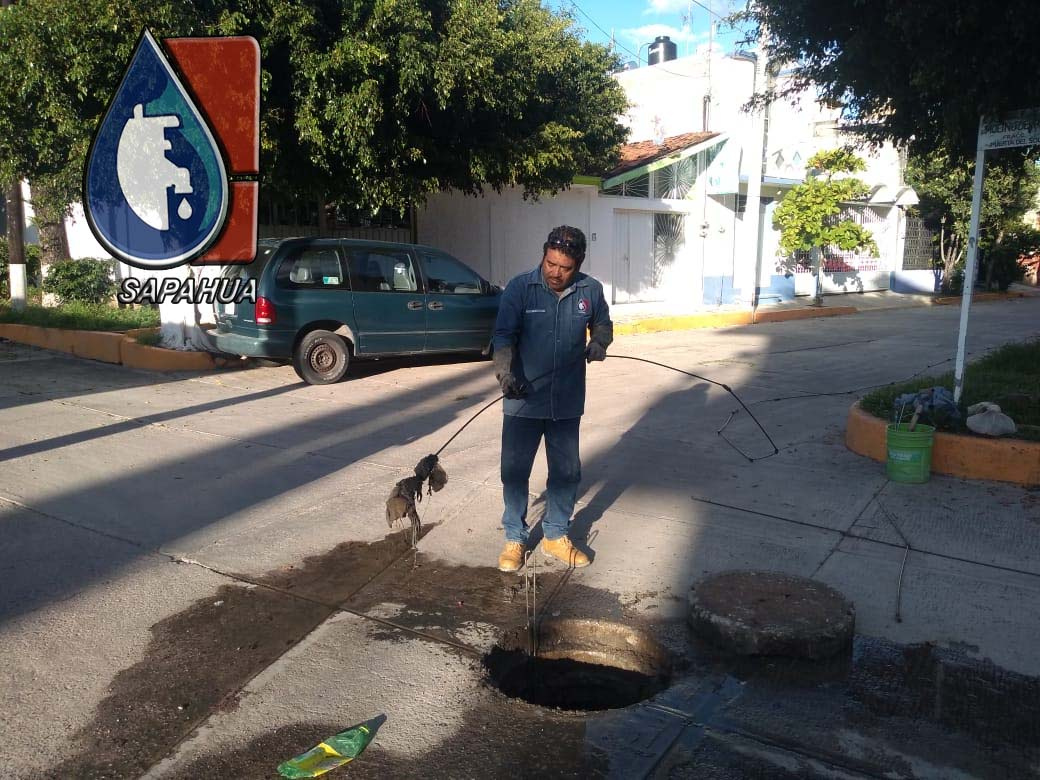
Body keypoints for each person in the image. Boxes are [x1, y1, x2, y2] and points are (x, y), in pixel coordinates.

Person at [491, 225, 613, 572]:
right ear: (543, 255)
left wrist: (599, 343)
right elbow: (502, 337)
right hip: (522, 398)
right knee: (514, 472)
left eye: (564, 268)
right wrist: (505, 374)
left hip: (566, 399)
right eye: (550, 264)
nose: (556, 273)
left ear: (578, 264)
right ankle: (515, 537)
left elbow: (603, 324)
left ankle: (555, 535)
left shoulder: (591, 290)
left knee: (566, 472)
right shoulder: (520, 288)